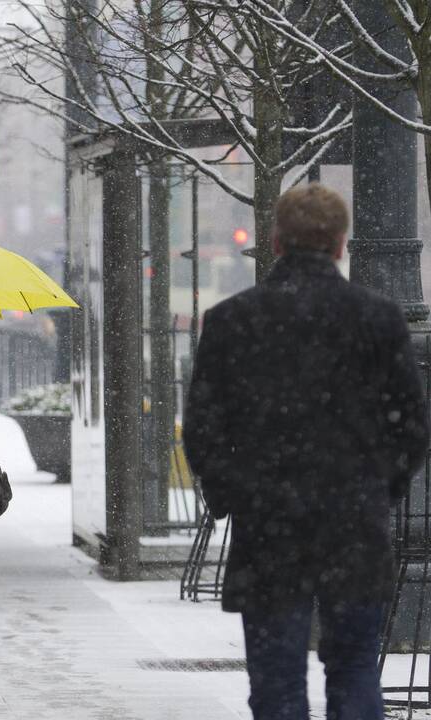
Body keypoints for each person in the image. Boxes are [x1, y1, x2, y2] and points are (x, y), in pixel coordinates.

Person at [184, 184, 429, 720]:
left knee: (276, 683)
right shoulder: (378, 319)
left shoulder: (233, 322)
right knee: (356, 673)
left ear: (275, 242)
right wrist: (376, 491)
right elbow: (412, 428)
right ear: (340, 244)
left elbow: (202, 429)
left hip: (269, 528)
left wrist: (234, 493)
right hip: (355, 527)